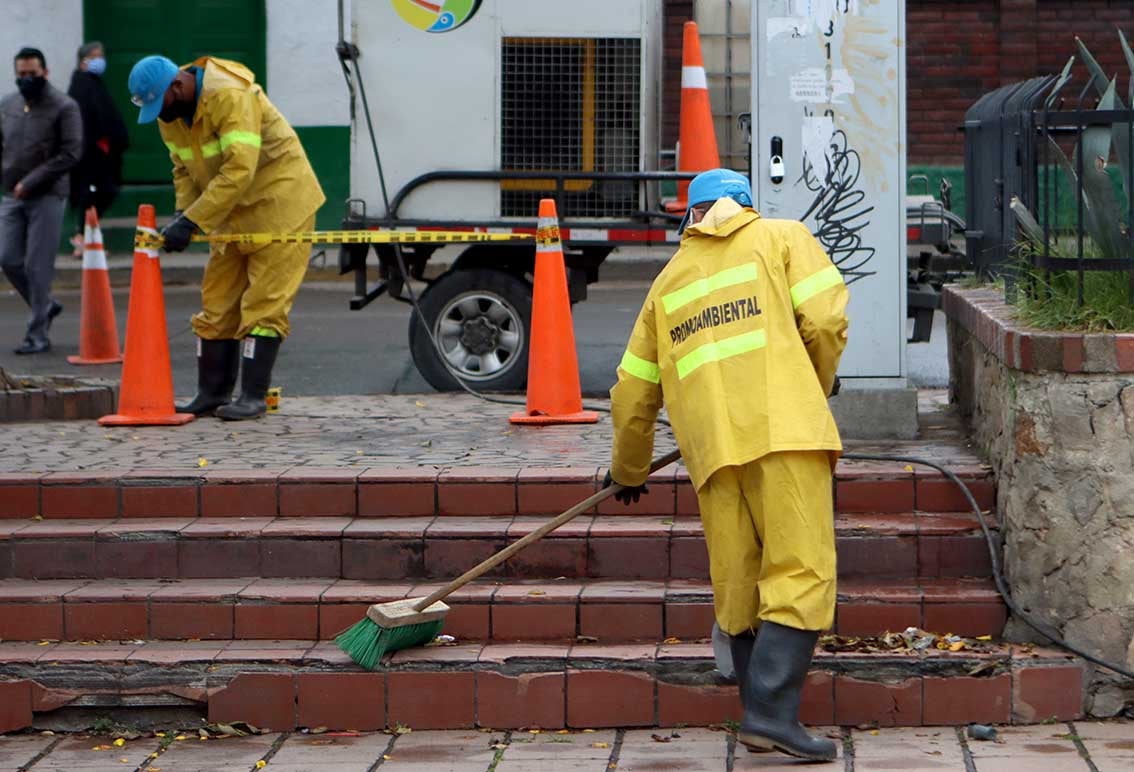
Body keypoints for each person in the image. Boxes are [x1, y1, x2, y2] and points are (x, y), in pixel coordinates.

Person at [602, 169, 849, 761]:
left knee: (739, 584)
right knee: (800, 571)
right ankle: (769, 716)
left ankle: (759, 715)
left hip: (713, 455)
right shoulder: (783, 237)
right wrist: (812, 386)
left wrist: (628, 470)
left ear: (691, 216)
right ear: (744, 206)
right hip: (786, 434)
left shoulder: (667, 284)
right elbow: (824, 321)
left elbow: (632, 393)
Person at [127, 54, 324, 420]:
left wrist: (193, 220)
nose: (160, 116)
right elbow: (183, 170)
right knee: (218, 302)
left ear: (178, 85)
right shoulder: (171, 116)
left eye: (161, 105)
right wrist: (182, 213)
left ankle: (252, 396)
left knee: (264, 304)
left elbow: (239, 168)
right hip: (230, 212)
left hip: (280, 205)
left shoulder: (230, 95)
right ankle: (212, 393)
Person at [0, 47, 83, 354]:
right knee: (8, 259)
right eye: (21, 74)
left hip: (48, 195)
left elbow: (71, 153)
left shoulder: (64, 106)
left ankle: (37, 334)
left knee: (38, 267)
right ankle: (45, 305)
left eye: (32, 74)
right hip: (12, 194)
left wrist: (31, 181)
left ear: (45, 73)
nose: (26, 79)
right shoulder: (8, 105)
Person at [67, 41, 129, 257]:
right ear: (83, 61)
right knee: (94, 193)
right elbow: (87, 120)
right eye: (94, 57)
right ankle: (82, 238)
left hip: (99, 153)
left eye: (101, 56)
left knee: (99, 193)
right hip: (90, 154)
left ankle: (85, 237)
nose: (99, 61)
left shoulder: (93, 84)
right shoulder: (82, 86)